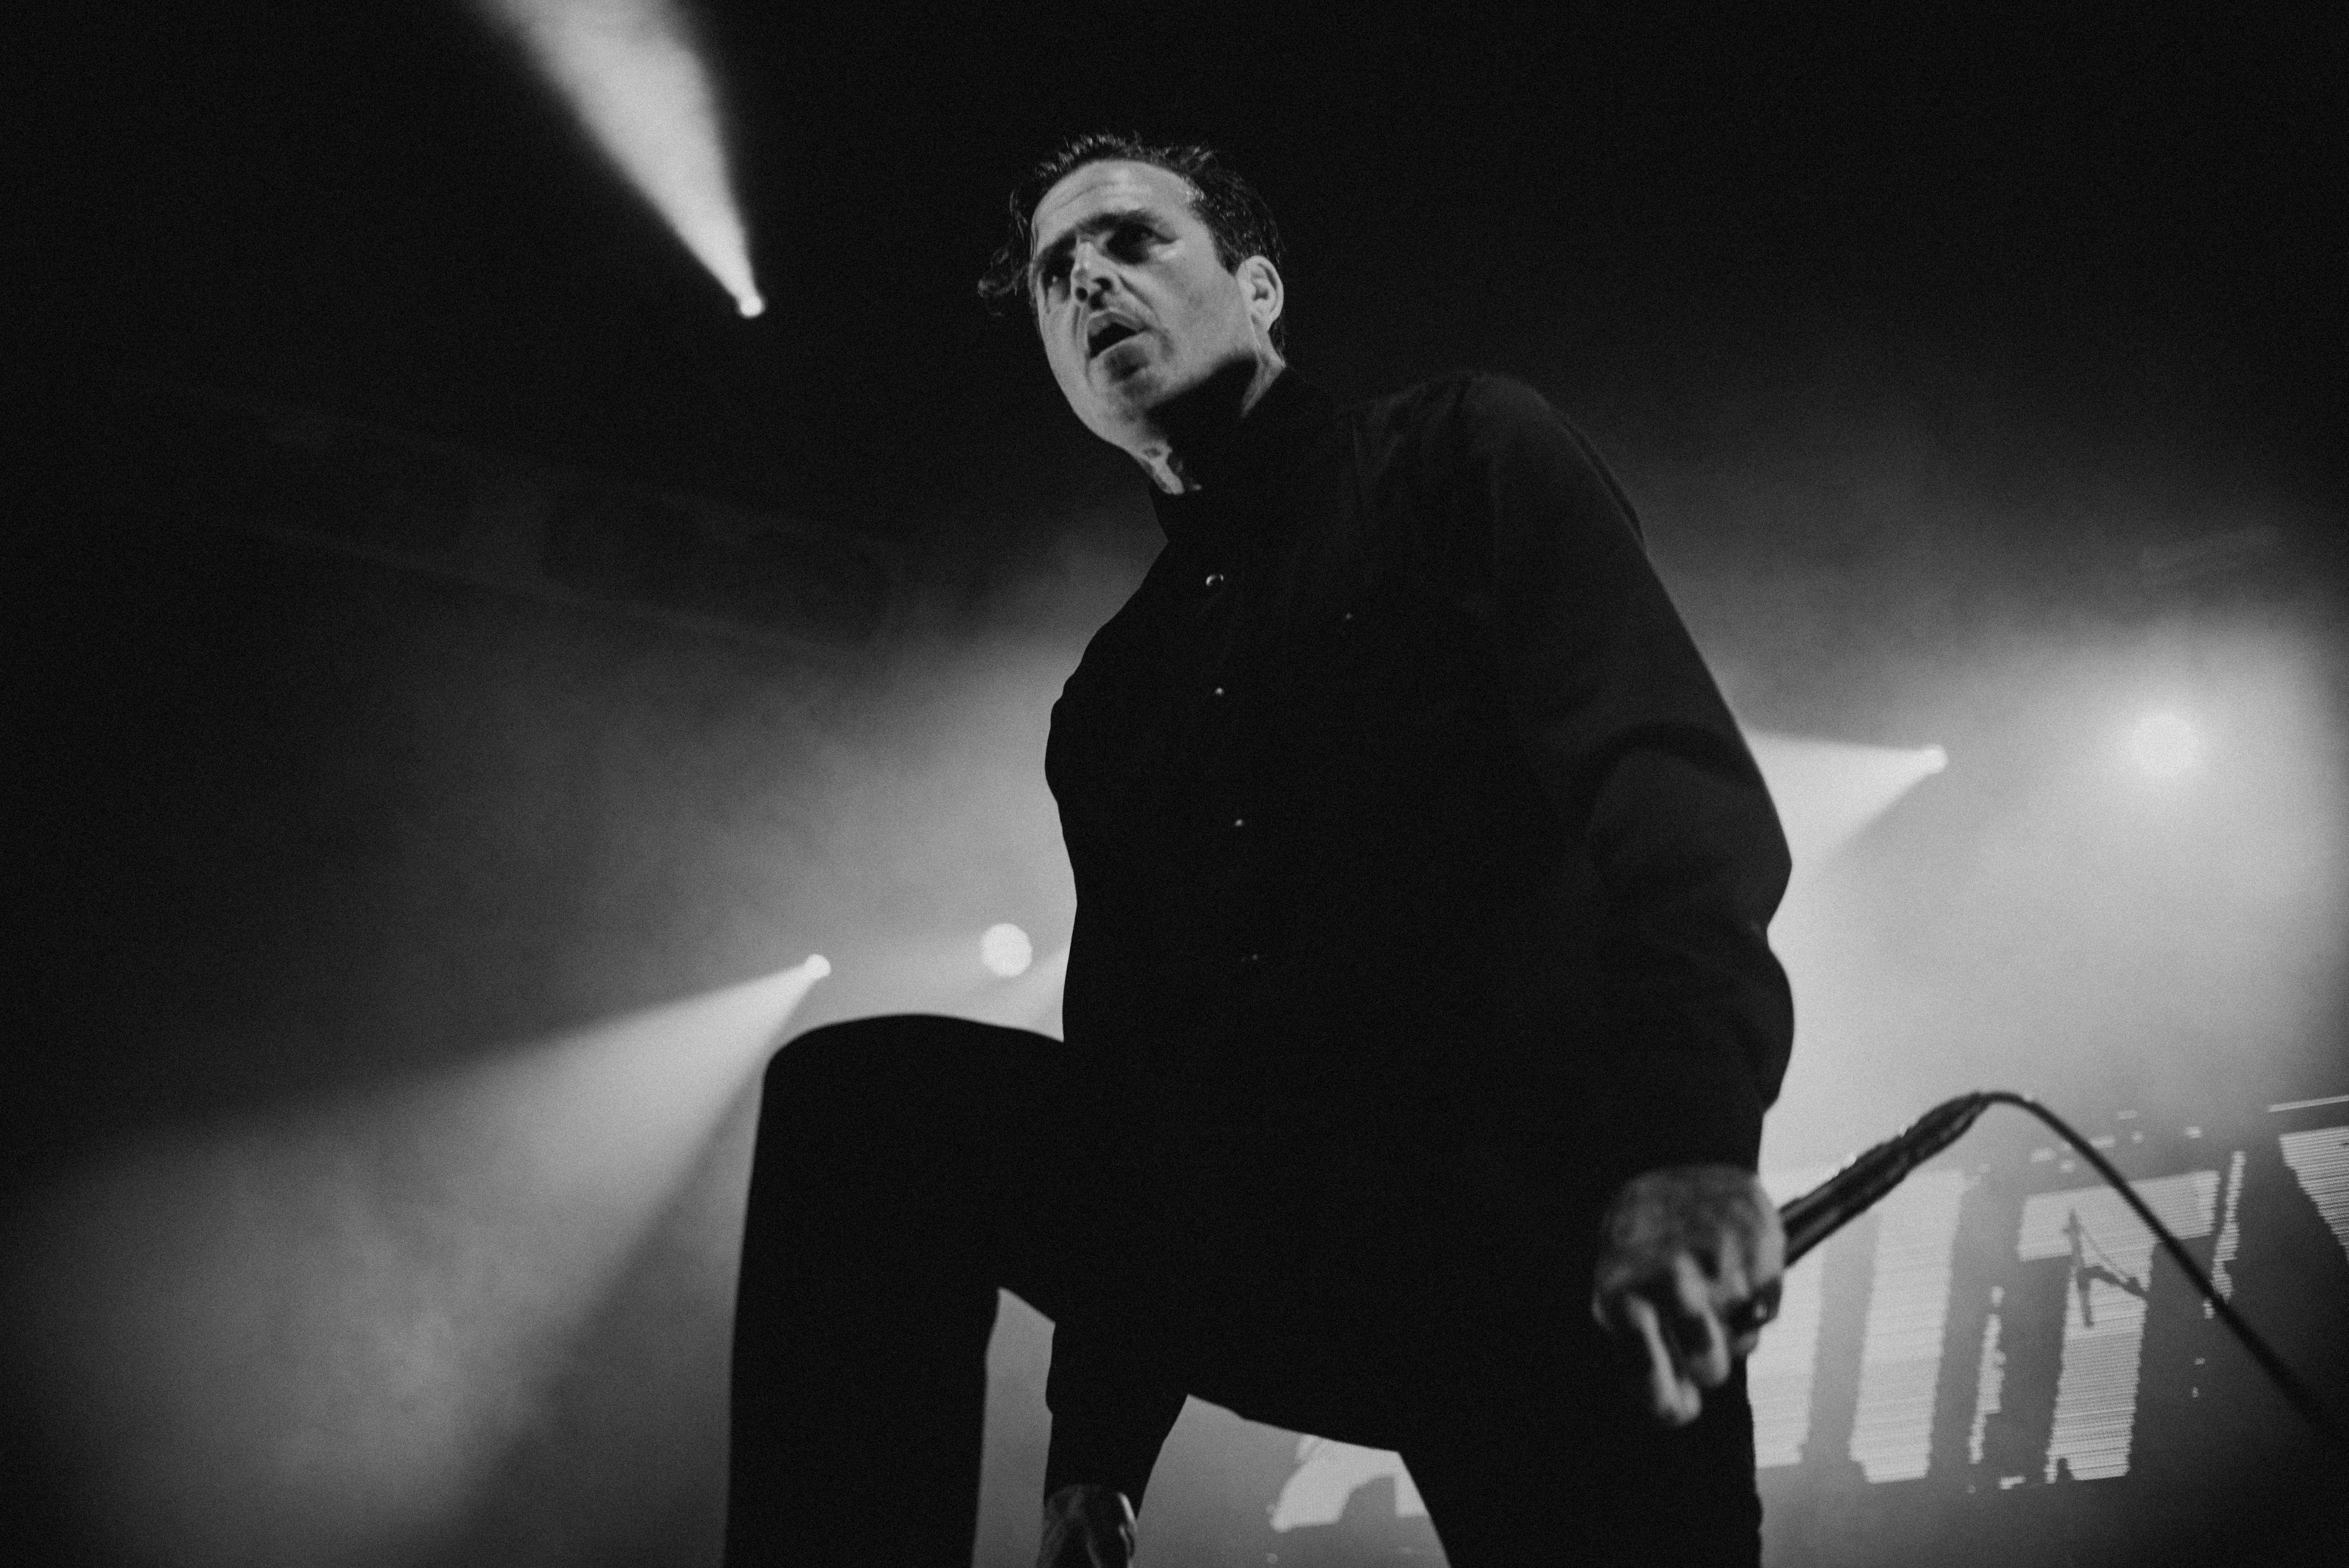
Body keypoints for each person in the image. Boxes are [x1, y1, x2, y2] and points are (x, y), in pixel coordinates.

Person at [726, 132, 1795, 1568]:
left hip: (1534, 1235)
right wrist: (1095, 1450)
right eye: (1054, 274)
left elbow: (1667, 787)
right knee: (863, 1105)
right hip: (1276, 1236)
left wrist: (1692, 1147)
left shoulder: (1465, 451)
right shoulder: (1112, 695)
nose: (1088, 280)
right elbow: (1131, 1046)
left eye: (1130, 240)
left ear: (1261, 286)